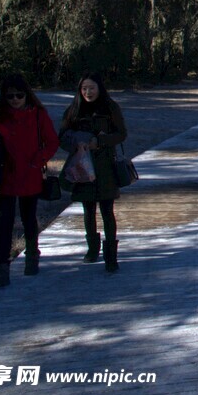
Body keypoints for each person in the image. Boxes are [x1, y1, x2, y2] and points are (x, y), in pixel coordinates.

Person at [0, 75, 59, 287]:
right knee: (5, 222)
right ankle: (1, 269)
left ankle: (32, 257)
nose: (15, 99)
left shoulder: (38, 115)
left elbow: (52, 141)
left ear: (27, 94)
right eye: (10, 96)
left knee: (28, 218)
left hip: (30, 175)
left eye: (19, 95)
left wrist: (39, 160)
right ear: (3, 97)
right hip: (5, 177)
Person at [59, 73, 127, 273]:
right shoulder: (73, 110)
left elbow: (121, 134)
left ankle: (111, 256)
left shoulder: (110, 108)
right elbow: (61, 137)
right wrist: (75, 145)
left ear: (100, 88)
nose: (88, 92)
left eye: (92, 88)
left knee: (107, 210)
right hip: (82, 166)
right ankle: (92, 249)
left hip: (105, 166)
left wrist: (101, 142)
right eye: (84, 89)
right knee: (88, 210)